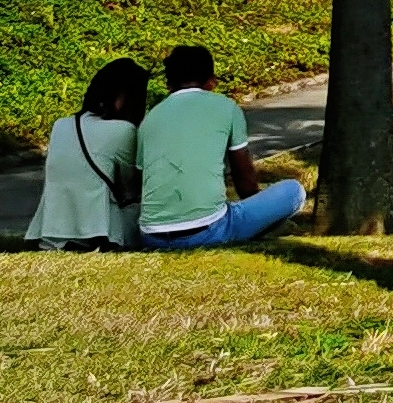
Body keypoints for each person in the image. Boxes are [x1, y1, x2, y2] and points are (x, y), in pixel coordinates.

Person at [134, 42, 307, 250]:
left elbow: (139, 183)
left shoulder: (150, 119)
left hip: (151, 236)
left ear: (169, 85)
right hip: (209, 230)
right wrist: (259, 210)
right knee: (294, 191)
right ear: (211, 83)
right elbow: (244, 182)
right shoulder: (226, 107)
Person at [25, 57, 149, 251]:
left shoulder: (61, 124)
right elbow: (130, 189)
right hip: (101, 231)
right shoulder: (123, 130)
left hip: (53, 233)